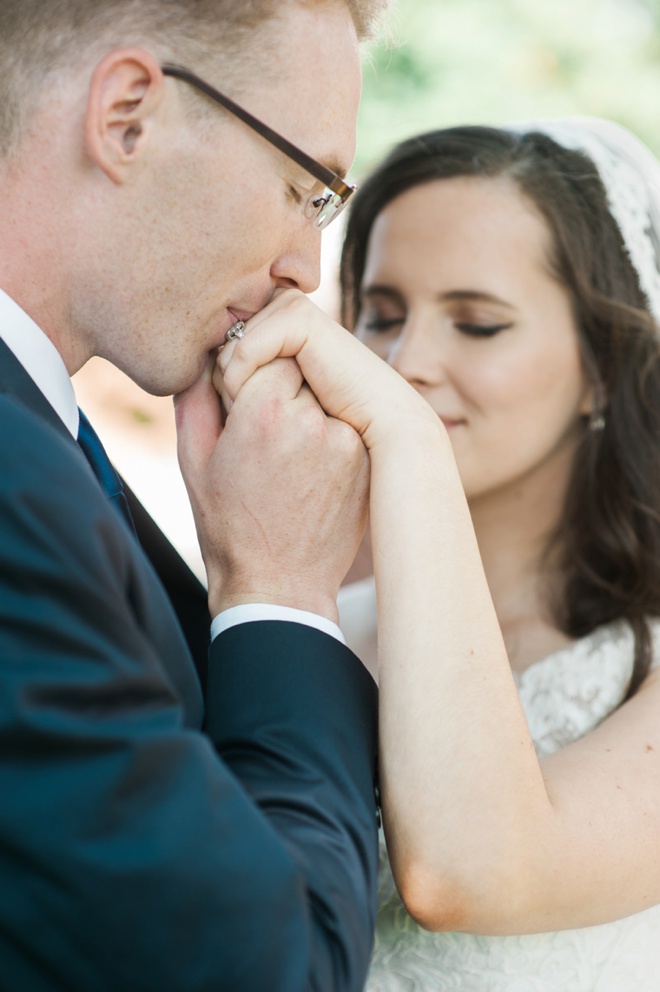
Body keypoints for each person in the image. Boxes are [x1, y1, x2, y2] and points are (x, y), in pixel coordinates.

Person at [0, 1, 401, 989]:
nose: (306, 269)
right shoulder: (13, 486)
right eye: (304, 188)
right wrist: (280, 587)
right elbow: (273, 969)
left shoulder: (46, 446)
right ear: (128, 114)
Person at [333, 119, 660, 989]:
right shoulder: (315, 625)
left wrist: (404, 447)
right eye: (381, 315)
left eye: (477, 324)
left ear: (600, 368)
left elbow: (465, 873)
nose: (405, 363)